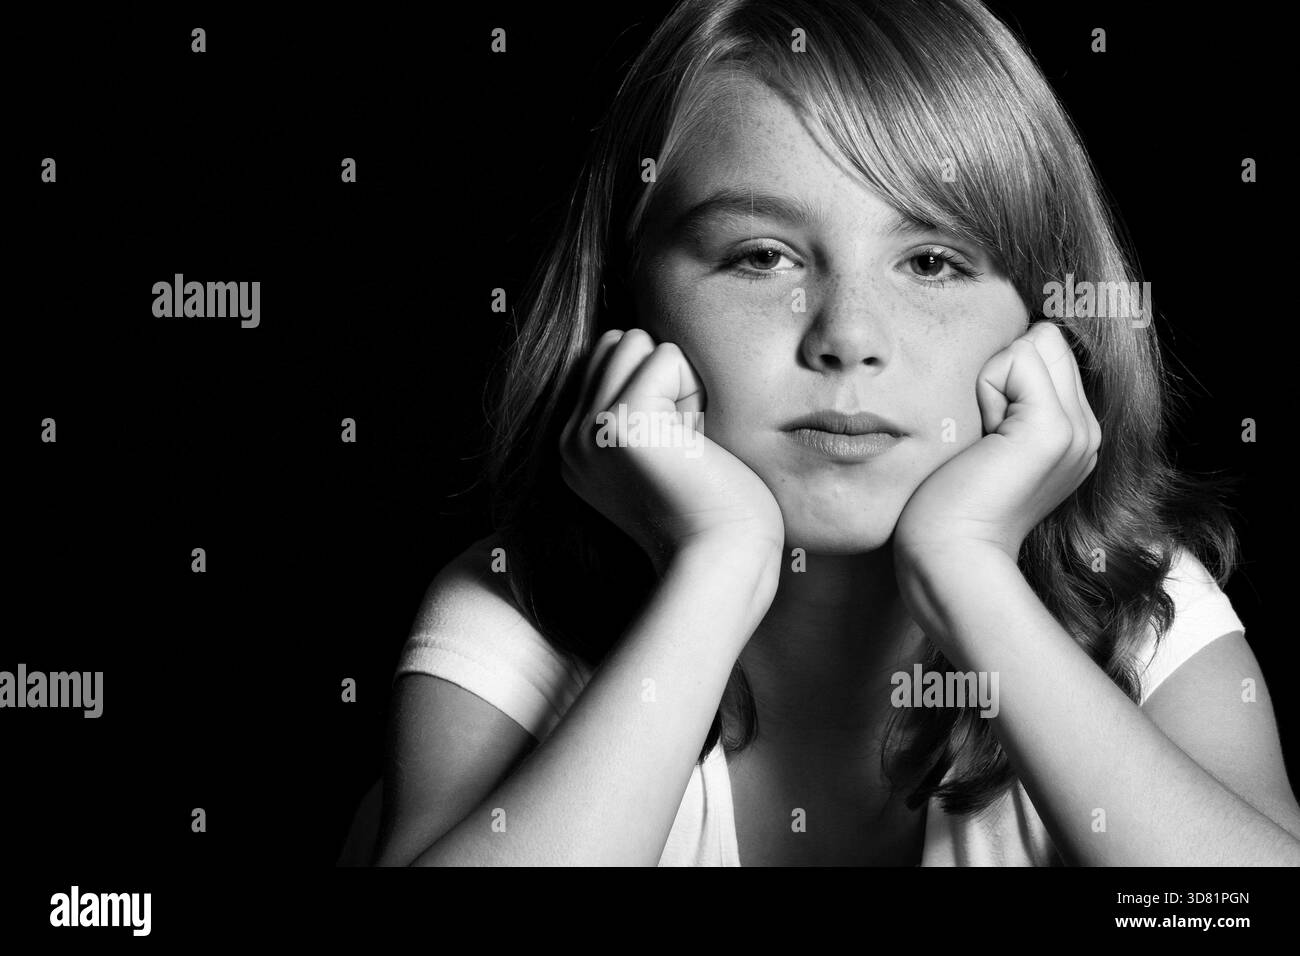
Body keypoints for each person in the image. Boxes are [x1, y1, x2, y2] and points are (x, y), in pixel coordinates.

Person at [358, 0, 1300, 866]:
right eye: (761, 257)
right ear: (626, 302)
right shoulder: (513, 613)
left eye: (932, 261)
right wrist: (716, 566)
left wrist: (969, 571)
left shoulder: (1140, 608)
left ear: (1046, 331)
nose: (847, 335)